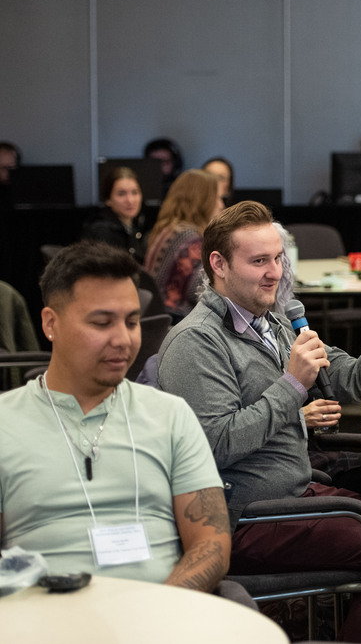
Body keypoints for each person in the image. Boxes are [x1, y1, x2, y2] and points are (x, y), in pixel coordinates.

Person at [155, 201, 361, 643]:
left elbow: (360, 382)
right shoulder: (196, 342)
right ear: (219, 265)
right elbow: (216, 445)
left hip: (293, 492)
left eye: (278, 258)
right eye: (258, 261)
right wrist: (292, 385)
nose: (274, 272)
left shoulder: (272, 321)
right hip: (244, 516)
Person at [0, 241, 229, 591]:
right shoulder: (7, 422)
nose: (123, 339)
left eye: (132, 321)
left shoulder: (170, 415)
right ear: (50, 324)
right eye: (102, 322)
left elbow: (211, 544)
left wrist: (155, 612)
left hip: (162, 621)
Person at [144, 169, 224, 321]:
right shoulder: (190, 239)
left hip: (162, 321)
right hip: (180, 324)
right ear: (203, 201)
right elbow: (207, 294)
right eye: (218, 198)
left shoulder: (167, 230)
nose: (222, 205)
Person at [81, 166, 147, 264]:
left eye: (135, 192)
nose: (130, 200)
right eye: (121, 194)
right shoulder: (101, 230)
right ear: (108, 200)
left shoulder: (134, 227)